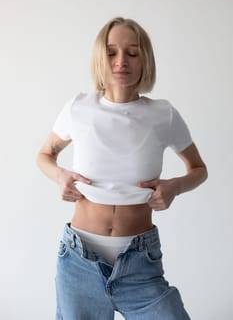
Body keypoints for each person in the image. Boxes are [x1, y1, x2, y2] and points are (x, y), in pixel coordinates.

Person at [36, 17, 208, 320]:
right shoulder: (78, 108)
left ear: (145, 60)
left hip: (139, 260)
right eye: (112, 52)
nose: (121, 62)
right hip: (79, 259)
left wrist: (174, 186)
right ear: (101, 58)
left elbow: (198, 168)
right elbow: (45, 155)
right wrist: (60, 175)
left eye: (132, 52)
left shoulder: (163, 115)